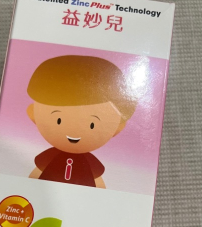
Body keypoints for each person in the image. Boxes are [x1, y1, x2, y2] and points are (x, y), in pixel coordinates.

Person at [26, 55, 136, 188]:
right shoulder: (50, 156)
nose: (73, 132)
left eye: (92, 125)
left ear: (118, 128)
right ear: (33, 114)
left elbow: (98, 182)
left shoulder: (89, 162)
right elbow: (37, 172)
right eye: (59, 120)